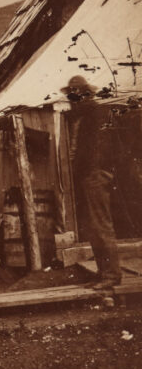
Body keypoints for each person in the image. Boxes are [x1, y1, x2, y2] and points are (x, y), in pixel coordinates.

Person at [64, 75, 121, 289]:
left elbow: (98, 149)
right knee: (93, 226)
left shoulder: (95, 114)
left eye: (75, 94)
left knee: (101, 225)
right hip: (90, 175)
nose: (72, 99)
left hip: (95, 174)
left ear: (84, 95)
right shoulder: (83, 116)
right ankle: (103, 272)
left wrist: (91, 171)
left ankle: (111, 276)